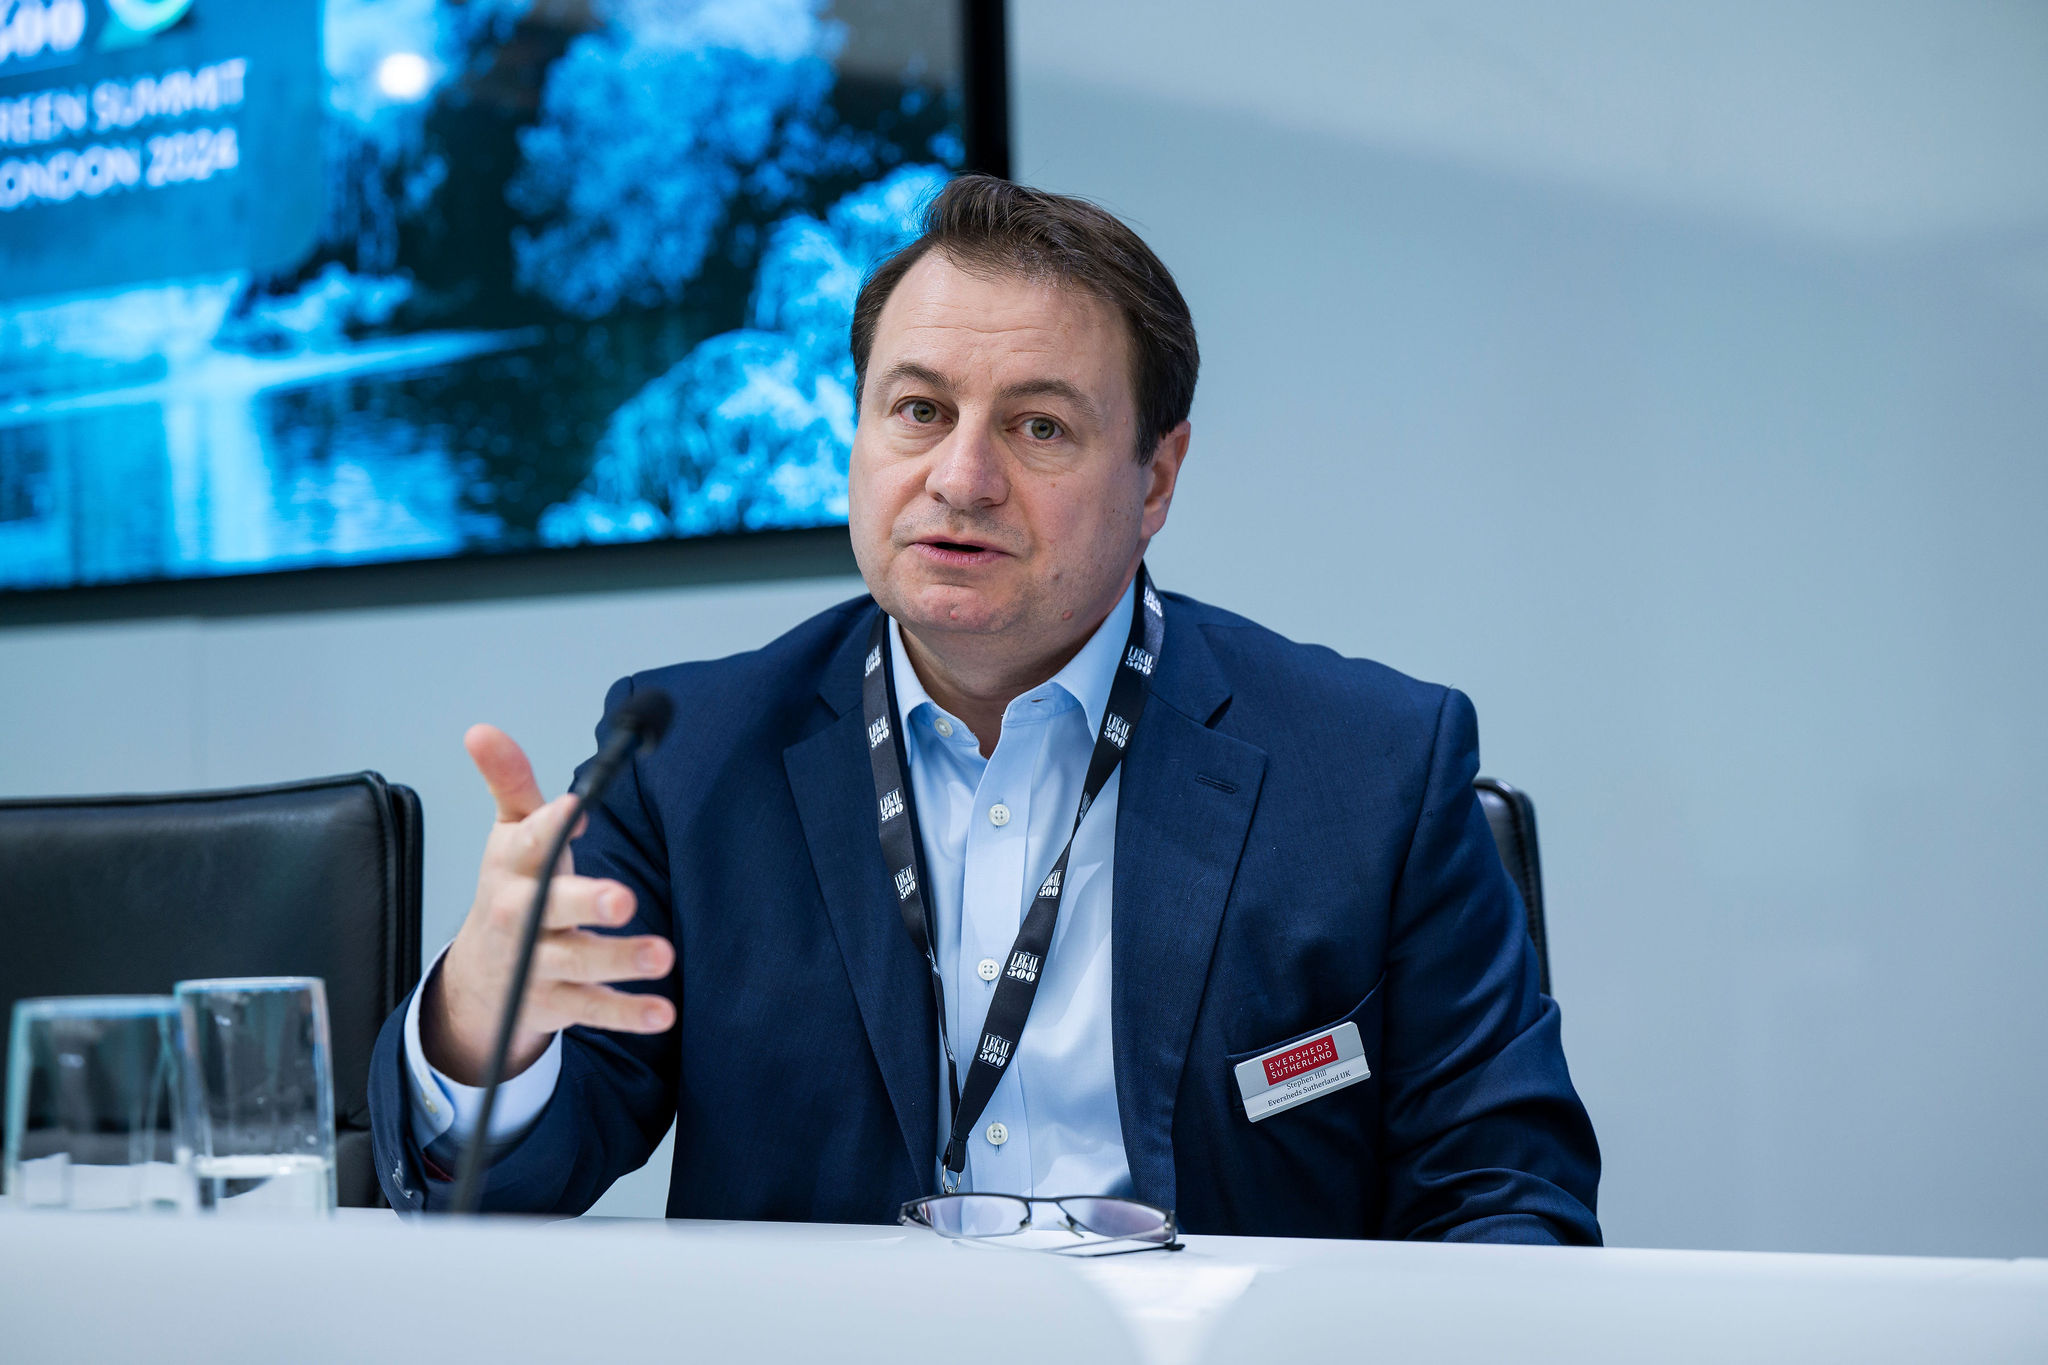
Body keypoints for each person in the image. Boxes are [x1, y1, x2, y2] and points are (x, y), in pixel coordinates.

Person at [368, 175, 1601, 1242]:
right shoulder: (684, 762)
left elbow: (1508, 1196)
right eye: (918, 412)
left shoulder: (1369, 769)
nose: (960, 479)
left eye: (1038, 426)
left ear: (1155, 478)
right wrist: (483, 1022)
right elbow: (503, 1193)